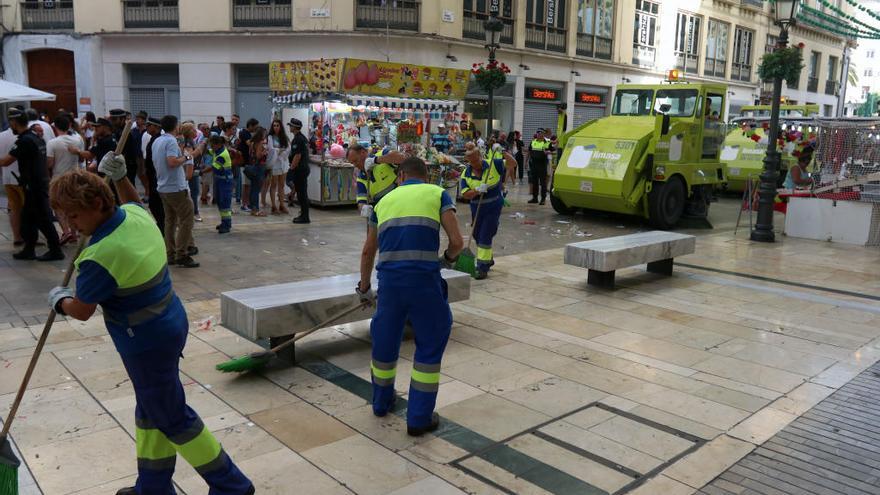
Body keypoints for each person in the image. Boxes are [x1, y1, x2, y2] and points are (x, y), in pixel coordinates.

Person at [47, 163, 254, 495]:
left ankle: (232, 485)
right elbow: (132, 202)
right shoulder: (135, 216)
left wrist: (59, 300)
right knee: (150, 409)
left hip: (144, 343)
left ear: (98, 204)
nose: (70, 224)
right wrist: (121, 177)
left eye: (74, 215)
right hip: (170, 321)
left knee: (173, 418)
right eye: (64, 216)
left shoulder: (99, 255)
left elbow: (82, 310)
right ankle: (153, 487)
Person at [357, 156, 463, 436]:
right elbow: (457, 242)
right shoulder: (437, 194)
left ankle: (381, 403)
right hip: (424, 283)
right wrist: (447, 261)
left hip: (389, 284)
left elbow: (368, 251)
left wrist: (364, 289)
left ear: (400, 176)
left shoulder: (382, 202)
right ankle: (418, 418)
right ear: (426, 176)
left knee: (384, 341)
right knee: (431, 341)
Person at [0, 108, 63, 261]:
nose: (11, 126)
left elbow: (6, 162)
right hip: (38, 184)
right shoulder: (35, 137)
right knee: (29, 219)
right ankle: (29, 249)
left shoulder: (25, 140)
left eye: (11, 123)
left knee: (43, 219)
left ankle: (55, 250)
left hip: (33, 186)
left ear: (14, 122)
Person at [460, 145, 514, 279]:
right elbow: (465, 194)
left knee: (485, 235)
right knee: (477, 235)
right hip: (476, 208)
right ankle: (488, 259)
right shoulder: (466, 173)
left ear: (480, 156)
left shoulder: (494, 164)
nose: (474, 165)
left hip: (493, 206)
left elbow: (513, 163)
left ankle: (482, 267)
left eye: (476, 161)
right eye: (471, 162)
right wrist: (477, 190)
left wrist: (503, 152)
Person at [153, 115, 198, 268]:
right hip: (175, 187)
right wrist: (186, 156)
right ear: (175, 126)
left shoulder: (157, 141)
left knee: (170, 221)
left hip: (163, 186)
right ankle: (182, 253)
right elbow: (172, 162)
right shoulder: (171, 141)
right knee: (186, 219)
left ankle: (170, 253)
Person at [46, 114, 85, 244]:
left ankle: (66, 232)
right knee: (72, 205)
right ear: (69, 125)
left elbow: (50, 164)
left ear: (55, 126)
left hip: (58, 178)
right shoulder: (77, 140)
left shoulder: (52, 143)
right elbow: (81, 158)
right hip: (74, 177)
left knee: (57, 206)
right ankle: (74, 233)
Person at [346, 142, 407, 216]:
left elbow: (402, 158)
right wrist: (363, 208)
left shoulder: (383, 154)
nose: (355, 165)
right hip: (384, 211)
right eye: (352, 163)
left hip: (402, 204)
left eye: (356, 161)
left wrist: (376, 160)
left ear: (363, 152)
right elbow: (361, 200)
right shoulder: (361, 179)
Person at [201, 135, 234, 234]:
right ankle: (224, 222)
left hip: (225, 182)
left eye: (213, 145)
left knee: (225, 203)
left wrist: (201, 171)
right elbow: (208, 152)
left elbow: (213, 167)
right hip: (219, 181)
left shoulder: (222, 155)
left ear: (218, 144)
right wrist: (204, 145)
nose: (212, 147)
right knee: (220, 202)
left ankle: (227, 224)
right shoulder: (217, 150)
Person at [0, 122, 24, 246]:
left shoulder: (1, 136)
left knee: (14, 208)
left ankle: (17, 237)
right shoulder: (21, 138)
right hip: (21, 178)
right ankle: (30, 237)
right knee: (27, 208)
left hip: (7, 177)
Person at [142, 117, 165, 235]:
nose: (147, 127)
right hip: (152, 176)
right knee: (153, 204)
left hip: (157, 177)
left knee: (156, 204)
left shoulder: (158, 140)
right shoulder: (153, 139)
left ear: (156, 127)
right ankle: (161, 224)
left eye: (149, 125)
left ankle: (163, 225)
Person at [287, 118, 311, 224]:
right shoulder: (302, 138)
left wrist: (291, 169)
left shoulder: (298, 139)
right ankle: (303, 214)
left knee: (301, 194)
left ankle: (305, 216)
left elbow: (297, 156)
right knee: (302, 193)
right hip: (303, 168)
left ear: (295, 128)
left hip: (300, 170)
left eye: (291, 126)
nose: (289, 128)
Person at [265, 119, 290, 214]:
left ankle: (282, 205)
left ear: (281, 127)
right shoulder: (270, 137)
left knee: (282, 184)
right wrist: (279, 150)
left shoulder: (284, 137)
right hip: (275, 162)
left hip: (283, 162)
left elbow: (288, 148)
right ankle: (273, 206)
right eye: (274, 125)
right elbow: (270, 149)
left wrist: (281, 151)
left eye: (278, 125)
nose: (276, 127)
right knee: (274, 184)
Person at [109, 108, 140, 185]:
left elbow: (128, 152)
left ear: (122, 119)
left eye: (115, 119)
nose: (112, 122)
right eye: (112, 119)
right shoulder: (115, 131)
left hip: (127, 166)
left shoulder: (126, 133)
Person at [246, 126, 268, 217]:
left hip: (253, 166)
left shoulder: (252, 143)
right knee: (256, 189)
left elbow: (251, 154)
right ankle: (255, 209)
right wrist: (265, 152)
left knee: (253, 188)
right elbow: (258, 156)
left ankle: (252, 208)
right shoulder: (260, 143)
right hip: (259, 167)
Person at [237, 118, 257, 212]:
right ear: (251, 125)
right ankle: (244, 204)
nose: (255, 129)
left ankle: (246, 203)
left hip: (247, 163)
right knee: (246, 185)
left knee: (247, 184)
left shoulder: (246, 133)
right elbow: (250, 144)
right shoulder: (244, 133)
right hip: (244, 163)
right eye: (255, 127)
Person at [528, 129, 551, 204]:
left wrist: (548, 152)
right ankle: (535, 198)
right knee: (535, 182)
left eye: (541, 133)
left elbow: (553, 150)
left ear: (543, 134)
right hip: (534, 164)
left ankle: (543, 199)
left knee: (543, 182)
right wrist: (526, 162)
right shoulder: (533, 142)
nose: (539, 134)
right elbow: (529, 151)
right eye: (538, 133)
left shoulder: (547, 142)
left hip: (542, 164)